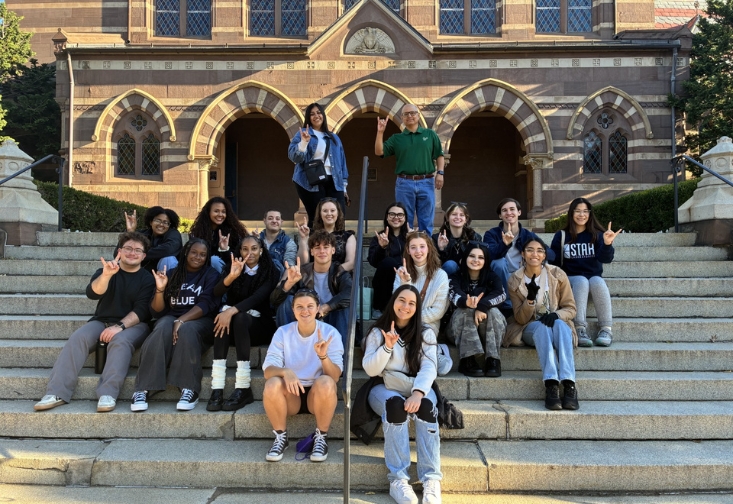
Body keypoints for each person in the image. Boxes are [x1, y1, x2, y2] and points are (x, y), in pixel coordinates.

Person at [34, 232, 155, 413]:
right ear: (120, 251)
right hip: (102, 320)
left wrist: (119, 326)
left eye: (138, 250)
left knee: (120, 341)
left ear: (144, 256)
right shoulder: (106, 270)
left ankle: (108, 394)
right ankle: (57, 392)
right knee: (78, 338)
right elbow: (93, 294)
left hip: (134, 325)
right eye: (128, 248)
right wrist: (106, 275)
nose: (132, 253)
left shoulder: (146, 278)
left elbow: (142, 310)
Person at [362, 285, 442, 504]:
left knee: (426, 407)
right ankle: (398, 479)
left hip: (418, 386)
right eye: (401, 300)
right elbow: (370, 370)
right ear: (393, 301)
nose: (405, 307)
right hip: (384, 387)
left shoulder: (425, 333)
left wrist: (417, 393)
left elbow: (429, 367)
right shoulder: (377, 332)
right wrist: (387, 347)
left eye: (412, 303)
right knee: (396, 408)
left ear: (417, 308)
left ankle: (431, 480)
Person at [131, 238, 220, 412]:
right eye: (194, 252)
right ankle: (143, 387)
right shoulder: (171, 273)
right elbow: (157, 311)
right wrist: (160, 289)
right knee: (161, 327)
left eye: (203, 254)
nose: (198, 257)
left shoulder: (211, 275)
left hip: (201, 320)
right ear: (186, 252)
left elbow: (206, 304)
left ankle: (189, 388)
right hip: (170, 316)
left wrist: (182, 320)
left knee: (186, 329)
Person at [262, 290, 344, 462]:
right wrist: (285, 372)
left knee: (326, 382)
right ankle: (280, 438)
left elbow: (335, 376)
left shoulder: (330, 333)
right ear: (293, 310)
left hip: (318, 396)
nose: (304, 311)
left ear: (318, 309)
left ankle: (321, 437)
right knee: (272, 383)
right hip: (292, 394)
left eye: (309, 306)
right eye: (299, 306)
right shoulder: (283, 332)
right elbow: (268, 371)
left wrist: (323, 356)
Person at [504, 238, 579, 411]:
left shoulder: (557, 275)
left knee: (560, 325)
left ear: (544, 255)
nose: (534, 254)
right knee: (543, 328)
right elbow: (520, 319)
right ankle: (551, 384)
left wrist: (556, 314)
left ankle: (569, 384)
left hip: (557, 323)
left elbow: (571, 308)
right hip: (530, 327)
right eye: (529, 250)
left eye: (539, 250)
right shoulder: (515, 280)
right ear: (522, 254)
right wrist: (530, 300)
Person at [207, 235, 280, 412]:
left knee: (234, 316)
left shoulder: (271, 271)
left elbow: (258, 298)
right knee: (222, 319)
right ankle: (217, 388)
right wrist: (232, 276)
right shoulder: (234, 268)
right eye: (245, 249)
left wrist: (230, 311)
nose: (250, 253)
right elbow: (217, 291)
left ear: (261, 250)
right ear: (240, 251)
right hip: (234, 327)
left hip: (259, 325)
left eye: (254, 248)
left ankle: (243, 386)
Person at [550, 197, 621, 347]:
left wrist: (607, 244)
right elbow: (554, 262)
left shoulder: (598, 235)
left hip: (593, 278)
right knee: (582, 280)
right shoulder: (562, 235)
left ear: (589, 214)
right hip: (571, 279)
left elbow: (605, 259)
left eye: (585, 211)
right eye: (578, 211)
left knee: (597, 280)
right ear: (571, 213)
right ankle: (580, 327)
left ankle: (606, 329)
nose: (581, 215)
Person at [271, 230, 352, 345]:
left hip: (331, 318)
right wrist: (289, 283)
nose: (322, 251)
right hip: (306, 319)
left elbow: (350, 293)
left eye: (326, 247)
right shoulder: (302, 272)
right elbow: (274, 300)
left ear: (333, 250)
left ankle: (341, 359)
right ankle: (287, 346)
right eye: (317, 247)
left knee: (345, 307)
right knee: (286, 301)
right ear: (312, 252)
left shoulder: (340, 272)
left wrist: (325, 307)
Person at [375, 104, 445, 234]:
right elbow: (379, 152)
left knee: (426, 220)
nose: (410, 116)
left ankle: (426, 251)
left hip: (427, 181)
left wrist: (440, 173)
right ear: (402, 118)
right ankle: (406, 249)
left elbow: (439, 155)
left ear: (418, 115)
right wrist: (380, 132)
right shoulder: (397, 138)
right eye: (406, 114)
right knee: (404, 220)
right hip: (404, 183)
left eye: (413, 113)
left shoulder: (430, 135)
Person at [484, 198, 555, 315]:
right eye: (504, 210)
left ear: (519, 212)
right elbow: (489, 256)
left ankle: (543, 302)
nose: (509, 213)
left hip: (522, 275)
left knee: (543, 263)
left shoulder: (528, 235)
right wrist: (504, 244)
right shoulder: (492, 234)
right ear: (500, 215)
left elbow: (551, 254)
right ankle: (506, 303)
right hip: (501, 276)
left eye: (512, 209)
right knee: (499, 262)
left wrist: (534, 252)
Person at [447, 243, 507, 377]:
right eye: (472, 256)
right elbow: (452, 294)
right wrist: (465, 302)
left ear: (486, 261)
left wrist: (482, 306)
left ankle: (493, 360)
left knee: (494, 312)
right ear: (465, 258)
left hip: (487, 329)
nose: (476, 260)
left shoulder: (492, 277)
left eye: (481, 257)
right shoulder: (455, 277)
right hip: (458, 330)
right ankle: (467, 360)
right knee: (466, 311)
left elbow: (501, 294)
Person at [288, 102, 349, 226]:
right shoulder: (303, 134)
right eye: (312, 114)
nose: (316, 116)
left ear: (323, 115)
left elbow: (342, 162)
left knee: (338, 216)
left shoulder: (334, 137)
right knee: (317, 218)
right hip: (311, 180)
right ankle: (315, 244)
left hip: (334, 179)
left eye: (319, 112)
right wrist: (304, 142)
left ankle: (337, 244)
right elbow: (294, 157)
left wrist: (344, 186)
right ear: (308, 118)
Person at [393, 231, 450, 338]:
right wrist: (405, 283)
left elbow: (438, 311)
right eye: (413, 247)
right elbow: (397, 304)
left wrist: (410, 317)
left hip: (427, 326)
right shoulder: (402, 271)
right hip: (401, 323)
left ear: (428, 248)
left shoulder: (440, 275)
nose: (418, 251)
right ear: (408, 250)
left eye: (422, 246)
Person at [368, 202, 409, 319]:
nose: (396, 217)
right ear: (387, 217)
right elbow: (373, 262)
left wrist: (412, 241)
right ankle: (379, 307)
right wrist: (381, 247)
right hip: (385, 281)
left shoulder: (410, 236)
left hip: (406, 277)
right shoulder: (379, 238)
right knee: (388, 262)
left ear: (405, 218)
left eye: (400, 215)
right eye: (392, 214)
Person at [189, 196, 248, 273]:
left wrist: (225, 250)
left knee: (215, 260)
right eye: (216, 211)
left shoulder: (233, 231)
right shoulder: (198, 231)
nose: (220, 214)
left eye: (223, 212)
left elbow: (236, 258)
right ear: (208, 212)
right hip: (202, 270)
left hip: (226, 273)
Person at [296, 198, 357, 272]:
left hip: (339, 278)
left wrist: (328, 273)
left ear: (338, 213)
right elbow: (302, 263)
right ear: (320, 214)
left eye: (332, 210)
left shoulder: (348, 237)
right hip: (313, 278)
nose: (329, 214)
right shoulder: (309, 234)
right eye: (325, 211)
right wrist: (304, 239)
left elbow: (351, 263)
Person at [120, 207, 182, 272]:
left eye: (166, 222)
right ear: (151, 222)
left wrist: (140, 253)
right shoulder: (142, 235)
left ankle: (171, 282)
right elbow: (118, 253)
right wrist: (130, 232)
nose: (161, 224)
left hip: (163, 273)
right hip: (143, 273)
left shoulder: (173, 234)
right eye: (158, 220)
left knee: (168, 259)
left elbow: (169, 249)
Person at [432, 202, 482, 276]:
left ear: (466, 219)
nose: (458, 217)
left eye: (462, 215)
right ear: (447, 218)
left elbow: (481, 259)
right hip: (447, 275)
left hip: (468, 273)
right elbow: (434, 265)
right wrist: (441, 249)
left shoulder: (474, 237)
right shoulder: (437, 238)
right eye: (454, 214)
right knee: (450, 265)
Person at [260, 209, 297, 275]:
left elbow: (289, 268)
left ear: (281, 221)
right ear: (264, 221)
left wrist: (280, 285)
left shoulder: (288, 242)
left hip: (279, 280)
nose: (274, 221)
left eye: (277, 219)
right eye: (270, 218)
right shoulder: (256, 239)